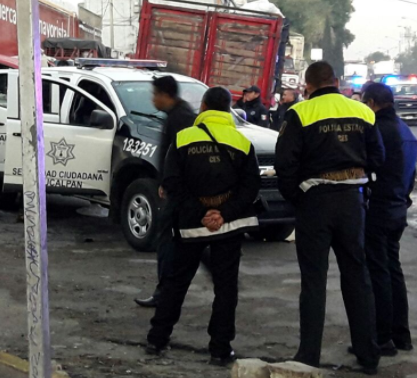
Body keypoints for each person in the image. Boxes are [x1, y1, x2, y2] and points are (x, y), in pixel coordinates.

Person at [275, 61, 385, 375]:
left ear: (308, 85)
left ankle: (309, 354)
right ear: (335, 81)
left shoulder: (300, 113)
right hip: (352, 202)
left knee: (313, 281)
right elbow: (379, 157)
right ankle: (368, 353)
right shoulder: (363, 112)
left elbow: (286, 163)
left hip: (315, 201)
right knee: (357, 276)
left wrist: (298, 198)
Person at [146, 86, 262, 365]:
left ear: (204, 107)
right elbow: (250, 188)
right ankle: (220, 350)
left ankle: (157, 339)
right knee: (225, 288)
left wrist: (200, 212)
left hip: (188, 225)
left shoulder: (184, 139)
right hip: (228, 227)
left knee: (175, 282)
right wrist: (221, 214)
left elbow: (172, 183)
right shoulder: (243, 143)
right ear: (228, 109)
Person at [361, 83, 417, 356]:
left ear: (371, 102)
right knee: (393, 269)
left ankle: (381, 338)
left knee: (378, 271)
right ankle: (401, 334)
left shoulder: (377, 131)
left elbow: (369, 167)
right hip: (398, 207)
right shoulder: (405, 131)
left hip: (379, 207)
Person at [134, 75, 197, 309]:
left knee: (169, 242)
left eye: (154, 94)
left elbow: (183, 156)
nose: (152, 99)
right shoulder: (176, 115)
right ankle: (165, 291)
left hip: (179, 194)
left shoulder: (181, 118)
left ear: (164, 95)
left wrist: (171, 184)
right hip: (176, 190)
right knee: (185, 242)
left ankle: (164, 294)